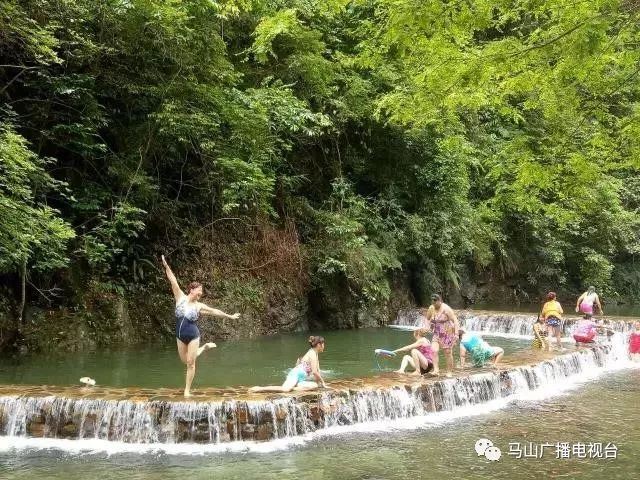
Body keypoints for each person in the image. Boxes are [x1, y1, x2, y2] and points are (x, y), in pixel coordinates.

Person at [161, 255, 241, 397]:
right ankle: (204, 348)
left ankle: (187, 391)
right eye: (199, 290)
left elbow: (214, 311)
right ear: (192, 289)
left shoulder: (199, 306)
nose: (201, 293)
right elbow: (173, 281)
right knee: (184, 360)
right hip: (179, 336)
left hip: (193, 335)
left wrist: (229, 316)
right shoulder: (179, 297)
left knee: (191, 363)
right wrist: (166, 266)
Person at [249, 336, 328, 392]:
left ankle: (292, 388)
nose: (324, 346)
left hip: (301, 379)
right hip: (295, 374)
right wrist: (323, 382)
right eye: (323, 344)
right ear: (318, 345)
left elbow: (317, 371)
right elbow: (314, 372)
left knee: (314, 386)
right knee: (285, 389)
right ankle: (260, 388)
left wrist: (319, 383)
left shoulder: (315, 353)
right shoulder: (312, 354)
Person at [424, 294, 460, 377]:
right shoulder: (431, 308)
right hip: (437, 332)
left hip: (447, 332)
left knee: (448, 352)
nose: (434, 304)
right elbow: (427, 318)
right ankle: (436, 370)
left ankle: (449, 372)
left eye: (436, 303)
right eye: (433, 303)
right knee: (434, 350)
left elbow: (455, 320)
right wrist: (427, 326)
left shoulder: (446, 309)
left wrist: (456, 334)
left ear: (440, 301)